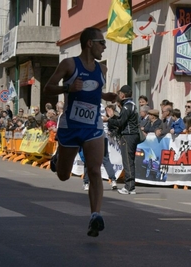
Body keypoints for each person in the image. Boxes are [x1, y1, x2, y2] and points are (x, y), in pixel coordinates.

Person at [43, 27, 117, 237]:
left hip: (93, 126)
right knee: (64, 176)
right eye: (102, 43)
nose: (104, 47)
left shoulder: (102, 69)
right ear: (89, 43)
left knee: (94, 169)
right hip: (70, 126)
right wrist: (67, 89)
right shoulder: (69, 64)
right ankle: (58, 160)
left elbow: (92, 89)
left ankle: (95, 215)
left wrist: (105, 96)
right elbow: (48, 88)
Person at [107, 85, 140, 195]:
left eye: (120, 93)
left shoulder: (127, 106)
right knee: (129, 160)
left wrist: (110, 119)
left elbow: (121, 122)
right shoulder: (132, 105)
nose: (119, 95)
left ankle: (129, 186)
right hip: (132, 135)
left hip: (128, 135)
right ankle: (130, 186)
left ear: (123, 95)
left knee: (128, 160)